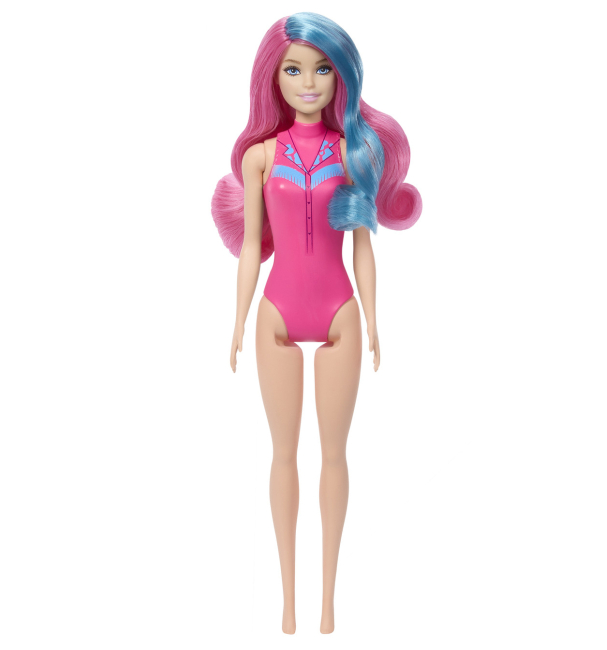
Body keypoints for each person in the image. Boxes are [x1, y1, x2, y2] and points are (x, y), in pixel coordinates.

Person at [211, 12, 422, 634]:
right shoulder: (260, 156)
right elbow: (253, 247)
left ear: (341, 76)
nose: (308, 83)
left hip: (340, 313)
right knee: (282, 456)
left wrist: (374, 318)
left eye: (323, 69)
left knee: (334, 455)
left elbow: (362, 244)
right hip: (276, 309)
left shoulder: (353, 152)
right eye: (294, 70)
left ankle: (327, 603)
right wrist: (238, 317)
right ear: (272, 78)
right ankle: (288, 603)